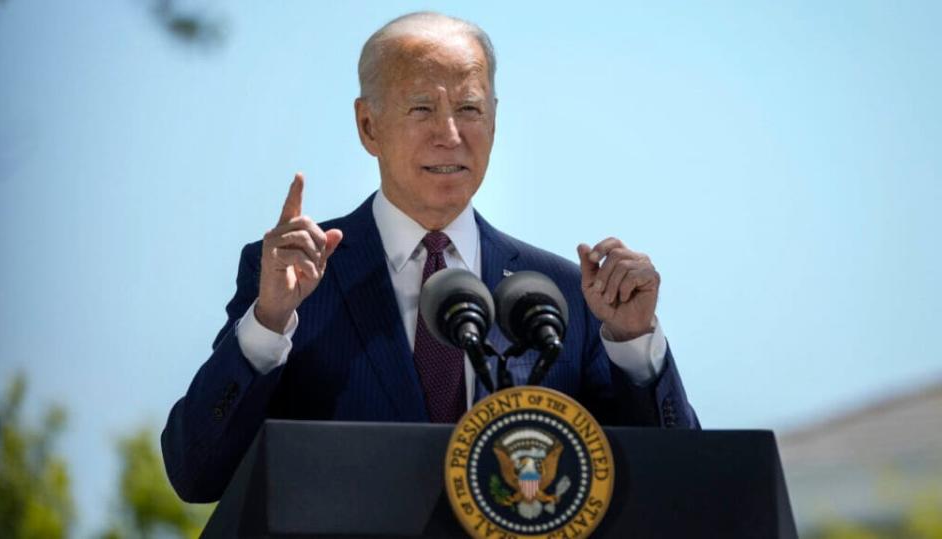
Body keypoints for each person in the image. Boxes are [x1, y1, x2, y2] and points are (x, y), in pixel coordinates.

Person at [162, 11, 698, 503]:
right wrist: (269, 323)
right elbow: (196, 473)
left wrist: (634, 342)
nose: (450, 135)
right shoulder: (293, 279)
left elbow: (679, 490)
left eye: (469, 109)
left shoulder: (565, 296)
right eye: (422, 108)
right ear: (368, 126)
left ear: (494, 119)